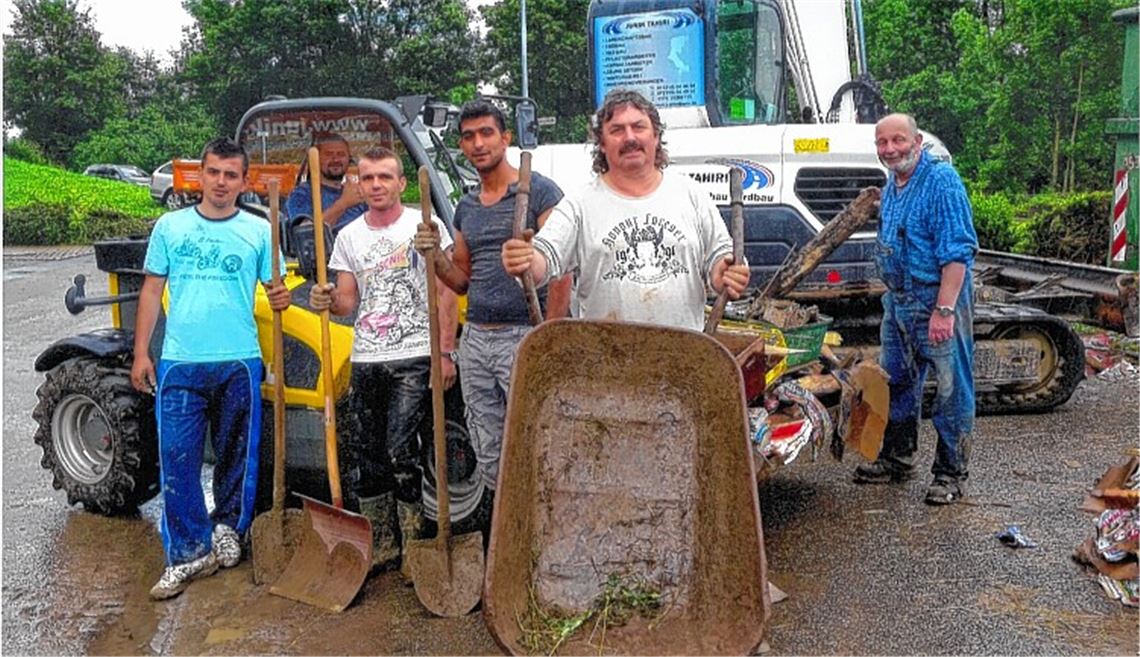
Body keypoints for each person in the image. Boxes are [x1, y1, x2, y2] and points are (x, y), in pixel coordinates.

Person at [131, 137, 291, 600]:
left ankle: (228, 529)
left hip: (239, 360)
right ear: (200, 176)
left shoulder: (259, 231)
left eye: (231, 175)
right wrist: (143, 352)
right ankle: (187, 552)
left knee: (238, 453)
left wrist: (279, 295)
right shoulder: (170, 227)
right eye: (214, 173)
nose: (221, 182)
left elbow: (275, 287)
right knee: (177, 460)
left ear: (244, 182)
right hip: (181, 360)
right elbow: (149, 291)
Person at [414, 99, 571, 531]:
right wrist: (433, 255)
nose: (478, 143)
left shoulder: (537, 192)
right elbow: (461, 279)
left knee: (537, 437)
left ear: (506, 138)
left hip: (526, 336)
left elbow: (561, 271)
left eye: (487, 133)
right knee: (489, 447)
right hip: (478, 342)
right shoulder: (467, 207)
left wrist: (551, 339)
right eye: (468, 136)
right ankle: (510, 533)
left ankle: (548, 529)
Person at [308, 146, 458, 572]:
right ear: (359, 183)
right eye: (368, 178)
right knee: (367, 454)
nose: (376, 185)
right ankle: (386, 546)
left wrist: (445, 350)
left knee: (400, 451)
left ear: (401, 183)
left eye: (385, 178)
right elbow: (347, 302)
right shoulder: (350, 236)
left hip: (414, 355)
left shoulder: (424, 226)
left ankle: (415, 547)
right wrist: (327, 299)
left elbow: (449, 287)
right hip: (368, 356)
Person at [500, 88, 750, 330]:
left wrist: (727, 273)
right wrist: (525, 260)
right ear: (602, 144)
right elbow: (546, 258)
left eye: (638, 127)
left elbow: (720, 257)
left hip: (680, 362)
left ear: (655, 136)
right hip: (607, 363)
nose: (630, 138)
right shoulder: (580, 203)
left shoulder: (692, 195)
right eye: (617, 130)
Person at [852, 113, 978, 505]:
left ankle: (950, 473)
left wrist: (944, 310)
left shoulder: (941, 182)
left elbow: (958, 252)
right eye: (882, 143)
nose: (890, 149)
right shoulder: (893, 184)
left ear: (917, 141)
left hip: (937, 300)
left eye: (898, 141)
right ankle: (898, 458)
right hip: (900, 302)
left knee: (951, 389)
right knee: (898, 383)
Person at [286, 132, 368, 232]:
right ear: (316, 159)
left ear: (349, 159)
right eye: (329, 154)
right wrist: (344, 203)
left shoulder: (357, 194)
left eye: (341, 154)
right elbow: (306, 235)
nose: (336, 159)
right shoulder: (302, 194)